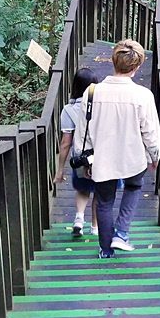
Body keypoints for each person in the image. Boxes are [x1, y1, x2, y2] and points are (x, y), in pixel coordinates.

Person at [86, 39, 160, 259]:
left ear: (113, 60)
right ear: (137, 67)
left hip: (102, 158)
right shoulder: (143, 96)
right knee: (133, 187)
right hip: (133, 158)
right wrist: (154, 156)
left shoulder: (91, 93)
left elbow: (84, 132)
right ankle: (121, 232)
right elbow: (150, 133)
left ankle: (106, 249)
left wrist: (87, 159)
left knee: (104, 201)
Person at [54, 67, 99, 237]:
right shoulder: (103, 106)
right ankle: (95, 228)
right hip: (101, 155)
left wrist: (60, 171)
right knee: (100, 191)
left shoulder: (68, 109)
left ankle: (79, 218)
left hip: (81, 157)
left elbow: (66, 143)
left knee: (82, 189)